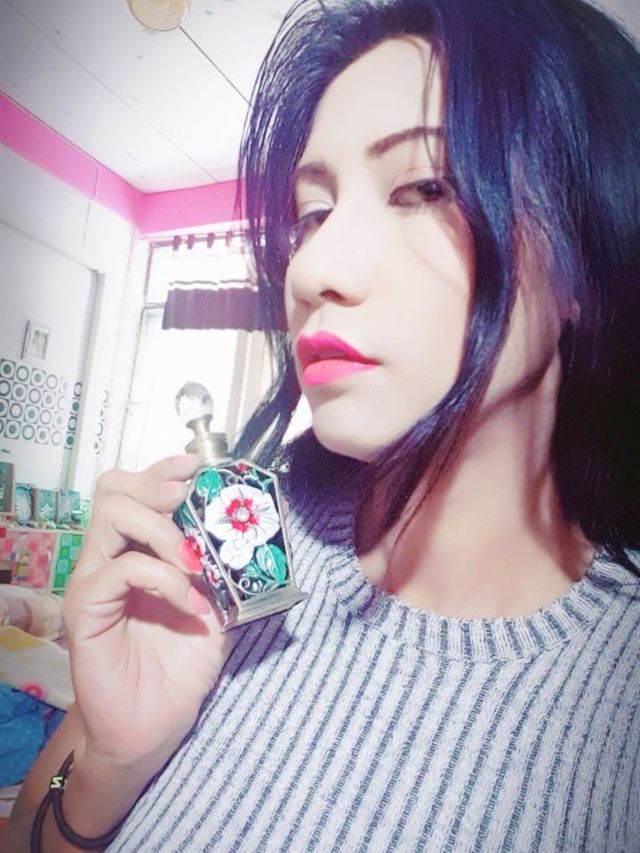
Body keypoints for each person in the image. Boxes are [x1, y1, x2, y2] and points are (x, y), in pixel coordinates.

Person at [4, 0, 640, 849]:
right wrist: (114, 761)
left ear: (584, 260)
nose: (310, 268)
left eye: (423, 187)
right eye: (311, 214)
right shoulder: (239, 547)